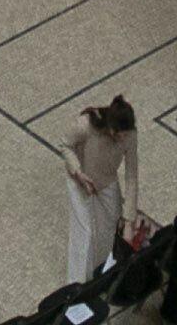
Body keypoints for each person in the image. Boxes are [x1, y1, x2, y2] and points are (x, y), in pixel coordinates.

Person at [61, 94, 139, 288]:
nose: (124, 139)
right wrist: (78, 173)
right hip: (80, 179)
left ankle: (99, 276)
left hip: (107, 180)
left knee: (109, 228)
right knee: (84, 232)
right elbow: (65, 145)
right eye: (120, 135)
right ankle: (75, 287)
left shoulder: (130, 136)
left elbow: (131, 175)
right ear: (112, 129)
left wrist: (129, 219)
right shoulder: (85, 125)